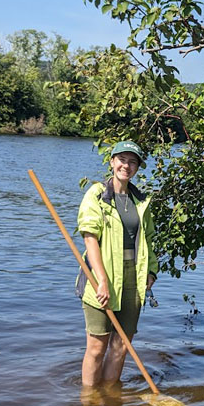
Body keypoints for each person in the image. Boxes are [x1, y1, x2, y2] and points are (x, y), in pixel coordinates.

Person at [76, 140, 157, 386]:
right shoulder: (97, 194)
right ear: (112, 162)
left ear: (138, 167)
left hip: (133, 278)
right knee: (97, 347)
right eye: (122, 159)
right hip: (101, 278)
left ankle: (110, 396)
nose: (126, 166)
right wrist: (102, 281)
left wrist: (151, 272)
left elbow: (149, 240)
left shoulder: (141, 201)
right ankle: (90, 405)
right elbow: (90, 239)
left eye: (133, 162)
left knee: (122, 345)